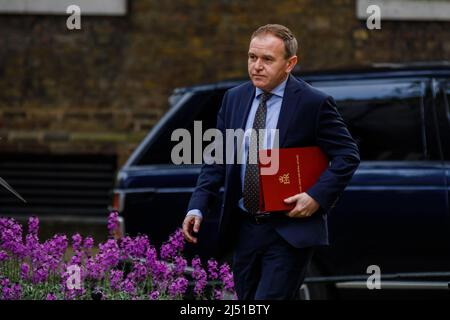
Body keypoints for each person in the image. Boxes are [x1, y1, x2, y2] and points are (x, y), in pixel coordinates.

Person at [182, 24, 360, 300]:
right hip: (243, 228)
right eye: (252, 57)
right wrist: (197, 206)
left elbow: (347, 155)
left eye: (267, 59)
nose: (257, 66)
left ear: (290, 64)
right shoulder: (234, 98)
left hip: (288, 230)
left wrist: (315, 197)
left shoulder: (314, 103)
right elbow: (217, 158)